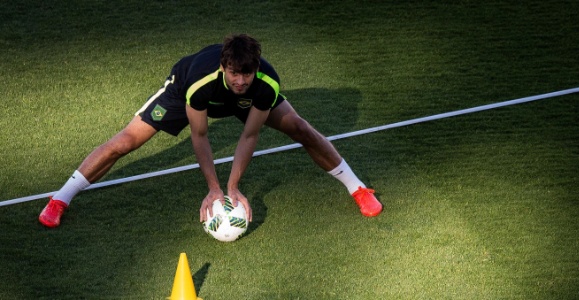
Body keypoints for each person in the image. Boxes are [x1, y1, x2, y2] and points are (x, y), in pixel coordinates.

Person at [39, 34, 382, 228]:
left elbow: (249, 136)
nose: (240, 79)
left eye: (246, 73)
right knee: (126, 141)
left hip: (246, 104)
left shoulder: (264, 85)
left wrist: (233, 188)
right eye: (234, 72)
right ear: (223, 66)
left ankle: (358, 189)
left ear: (255, 70)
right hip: (184, 90)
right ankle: (60, 199)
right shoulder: (200, 84)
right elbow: (199, 135)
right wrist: (214, 189)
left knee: (302, 129)